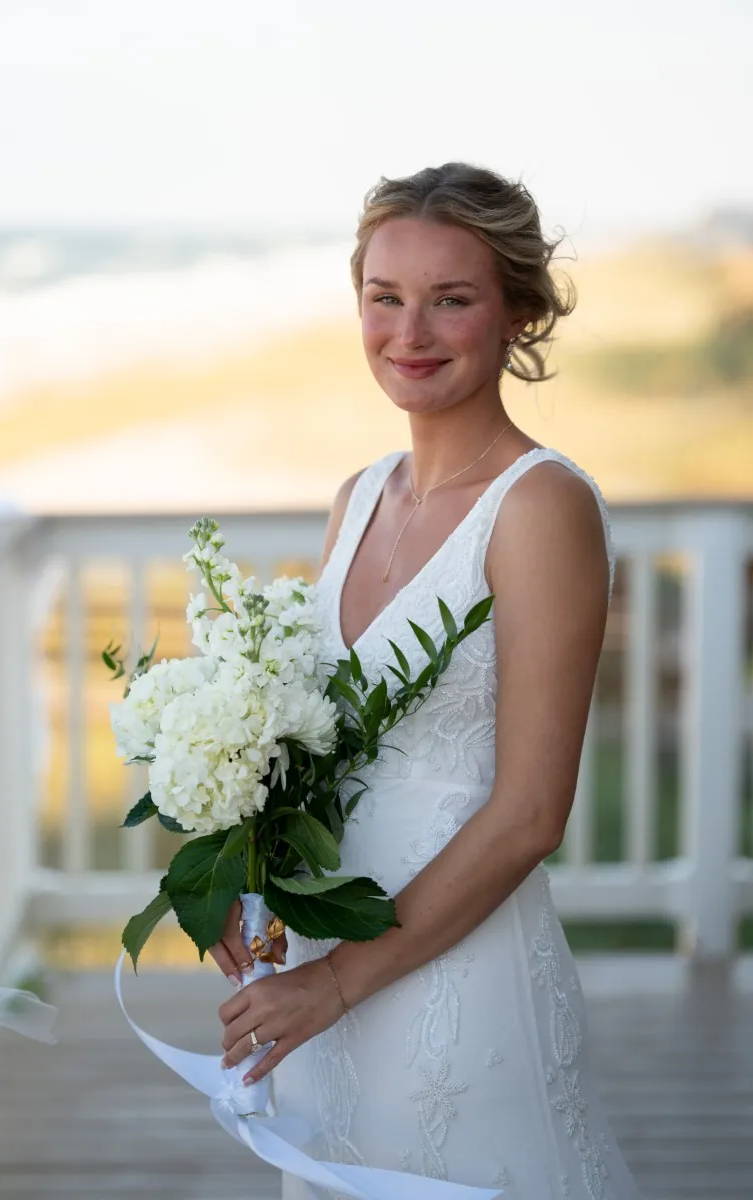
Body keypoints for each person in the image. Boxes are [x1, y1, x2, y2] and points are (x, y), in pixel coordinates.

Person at [210, 162, 644, 1199]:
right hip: (314, 967)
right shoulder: (356, 497)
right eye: (384, 297)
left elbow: (532, 812)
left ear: (516, 314)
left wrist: (341, 980)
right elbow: (317, 747)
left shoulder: (539, 508)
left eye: (450, 300)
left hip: (451, 978)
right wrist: (250, 879)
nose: (409, 333)